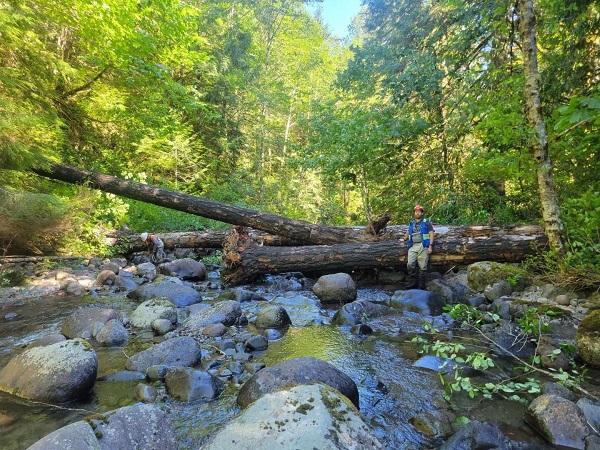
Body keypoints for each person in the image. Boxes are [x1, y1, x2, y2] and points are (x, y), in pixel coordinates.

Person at [403, 204, 435, 289]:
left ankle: (421, 286)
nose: (417, 213)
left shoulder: (426, 222)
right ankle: (412, 283)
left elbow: (431, 234)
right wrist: (404, 238)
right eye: (416, 212)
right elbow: (408, 233)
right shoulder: (411, 223)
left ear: (422, 213)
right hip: (412, 245)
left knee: (423, 266)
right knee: (410, 264)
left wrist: (430, 246)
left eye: (419, 212)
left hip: (423, 245)